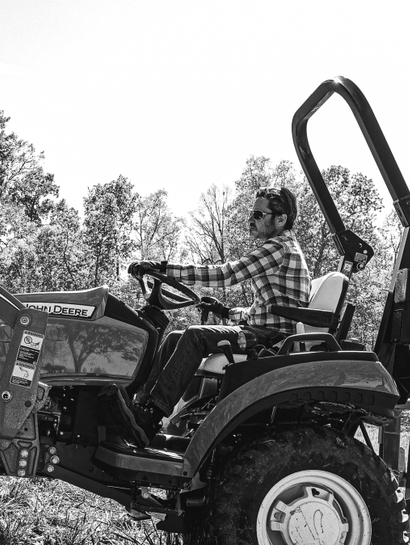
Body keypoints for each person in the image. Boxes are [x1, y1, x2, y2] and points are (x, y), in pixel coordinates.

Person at [125, 186, 311, 440]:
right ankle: (139, 407)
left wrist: (165, 268)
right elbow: (266, 310)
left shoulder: (279, 248)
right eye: (251, 212)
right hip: (263, 330)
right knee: (176, 337)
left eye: (259, 214)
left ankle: (153, 413)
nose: (251, 219)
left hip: (272, 340)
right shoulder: (280, 249)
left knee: (195, 336)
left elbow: (227, 274)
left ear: (281, 219)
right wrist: (223, 311)